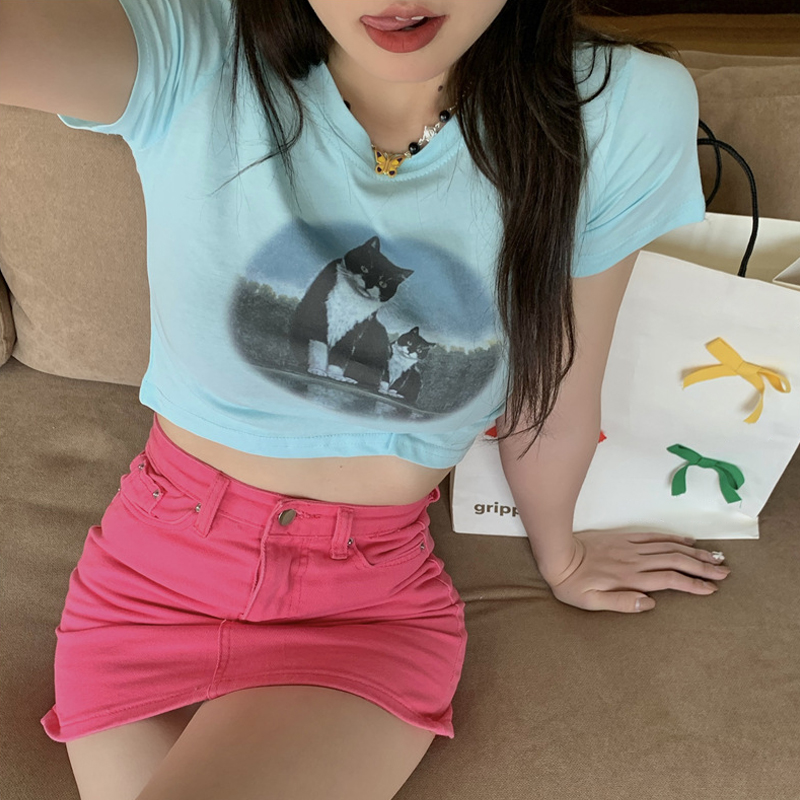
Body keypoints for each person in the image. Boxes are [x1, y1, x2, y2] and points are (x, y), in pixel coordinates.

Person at [1, 0, 732, 797]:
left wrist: (565, 557)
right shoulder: (195, 44)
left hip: (360, 607)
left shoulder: (614, 108)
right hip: (149, 583)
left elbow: (552, 394)